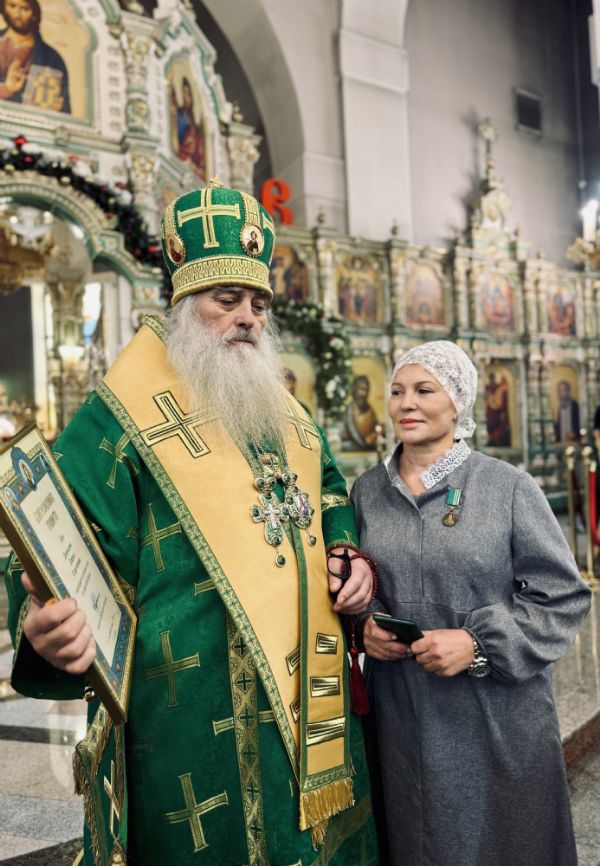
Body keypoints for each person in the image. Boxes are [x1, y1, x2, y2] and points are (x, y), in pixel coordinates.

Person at [5, 182, 378, 866]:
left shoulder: (281, 409)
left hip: (311, 698)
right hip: (187, 723)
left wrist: (347, 553)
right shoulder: (121, 414)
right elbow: (43, 539)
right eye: (226, 300)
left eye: (258, 304)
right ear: (181, 304)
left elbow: (327, 491)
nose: (248, 320)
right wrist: (40, 624)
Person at [351, 340, 591, 866]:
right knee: (416, 840)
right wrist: (364, 626)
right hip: (402, 713)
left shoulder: (507, 487)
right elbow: (355, 586)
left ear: (458, 402)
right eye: (397, 391)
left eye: (424, 390)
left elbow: (563, 595)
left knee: (499, 843)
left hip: (493, 712)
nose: (406, 403)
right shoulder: (366, 492)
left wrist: (478, 645)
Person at [0, 0, 70, 112]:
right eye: (12, 6)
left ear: (34, 14)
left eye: (25, 9)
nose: (17, 14)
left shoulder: (52, 59)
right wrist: (5, 90)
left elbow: (64, 109)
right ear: (3, 8)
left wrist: (56, 112)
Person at [171, 75, 205, 178]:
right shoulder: (179, 115)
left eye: (189, 94)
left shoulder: (195, 126)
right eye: (184, 93)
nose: (186, 97)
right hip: (182, 158)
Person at [342, 375, 379, 451]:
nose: (365, 393)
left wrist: (373, 436)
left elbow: (376, 429)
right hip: (351, 449)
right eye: (362, 389)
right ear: (355, 390)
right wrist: (364, 445)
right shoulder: (349, 410)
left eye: (367, 390)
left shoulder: (370, 410)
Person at [484, 370, 511, 447]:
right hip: (489, 410)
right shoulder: (487, 387)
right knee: (490, 425)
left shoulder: (498, 387)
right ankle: (491, 440)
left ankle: (497, 440)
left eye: (492, 378)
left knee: (497, 425)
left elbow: (500, 401)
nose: (491, 380)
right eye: (490, 378)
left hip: (497, 412)